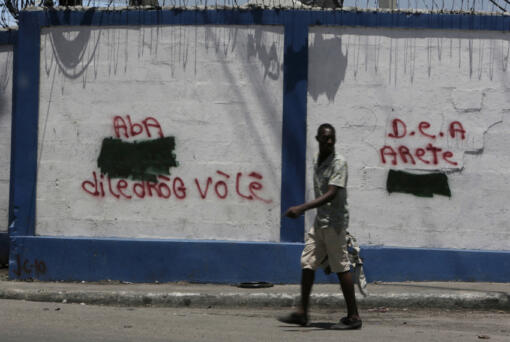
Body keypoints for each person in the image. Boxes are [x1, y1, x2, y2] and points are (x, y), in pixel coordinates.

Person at [278, 123, 362, 330]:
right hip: (320, 222)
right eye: (326, 138)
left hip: (334, 223)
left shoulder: (339, 163)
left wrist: (301, 208)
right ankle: (302, 313)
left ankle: (354, 317)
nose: (330, 141)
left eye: (332, 138)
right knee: (308, 262)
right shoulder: (317, 159)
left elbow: (332, 193)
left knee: (341, 266)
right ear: (318, 140)